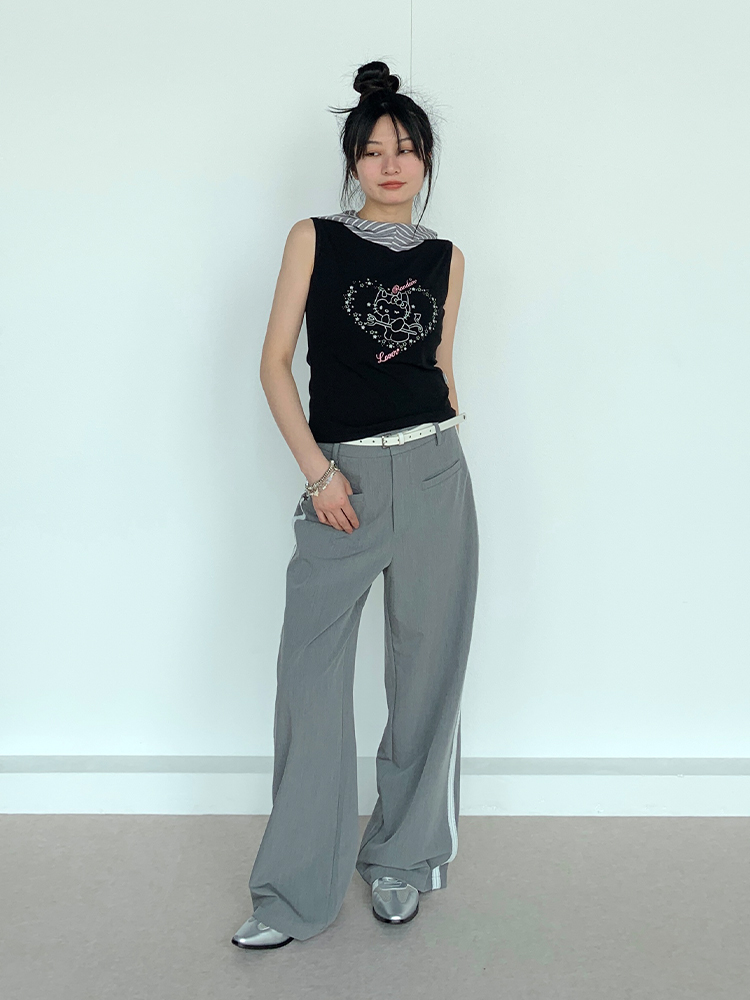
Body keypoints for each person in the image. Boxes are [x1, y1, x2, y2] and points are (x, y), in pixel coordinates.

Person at [232, 59, 479, 950]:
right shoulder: (314, 238)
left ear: (426, 160)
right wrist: (319, 475)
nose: (391, 163)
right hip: (340, 482)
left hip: (435, 474)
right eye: (374, 150)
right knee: (309, 679)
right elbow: (273, 365)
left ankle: (402, 861)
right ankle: (291, 894)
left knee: (427, 677)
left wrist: (441, 450)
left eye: (406, 149)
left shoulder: (447, 259)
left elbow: (441, 368)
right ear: (353, 162)